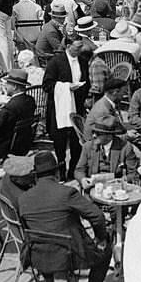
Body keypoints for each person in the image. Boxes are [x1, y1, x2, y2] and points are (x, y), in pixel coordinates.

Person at [17, 151, 111, 282]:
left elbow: (29, 231)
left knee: (43, 237)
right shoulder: (66, 193)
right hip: (70, 256)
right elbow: (98, 217)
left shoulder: (23, 199)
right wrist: (100, 238)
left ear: (35, 176)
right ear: (57, 172)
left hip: (38, 255)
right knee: (106, 249)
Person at [42, 36, 91, 182]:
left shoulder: (83, 61)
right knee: (60, 142)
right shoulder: (55, 62)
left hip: (77, 105)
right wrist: (66, 87)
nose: (79, 50)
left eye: (80, 47)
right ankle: (61, 171)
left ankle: (73, 170)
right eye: (77, 47)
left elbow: (87, 82)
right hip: (59, 108)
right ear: (68, 46)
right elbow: (47, 85)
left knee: (77, 142)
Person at [0, 68, 35, 159]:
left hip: (7, 145)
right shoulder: (31, 101)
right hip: (24, 143)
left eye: (8, 83)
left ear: (15, 87)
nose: (5, 86)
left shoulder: (10, 107)